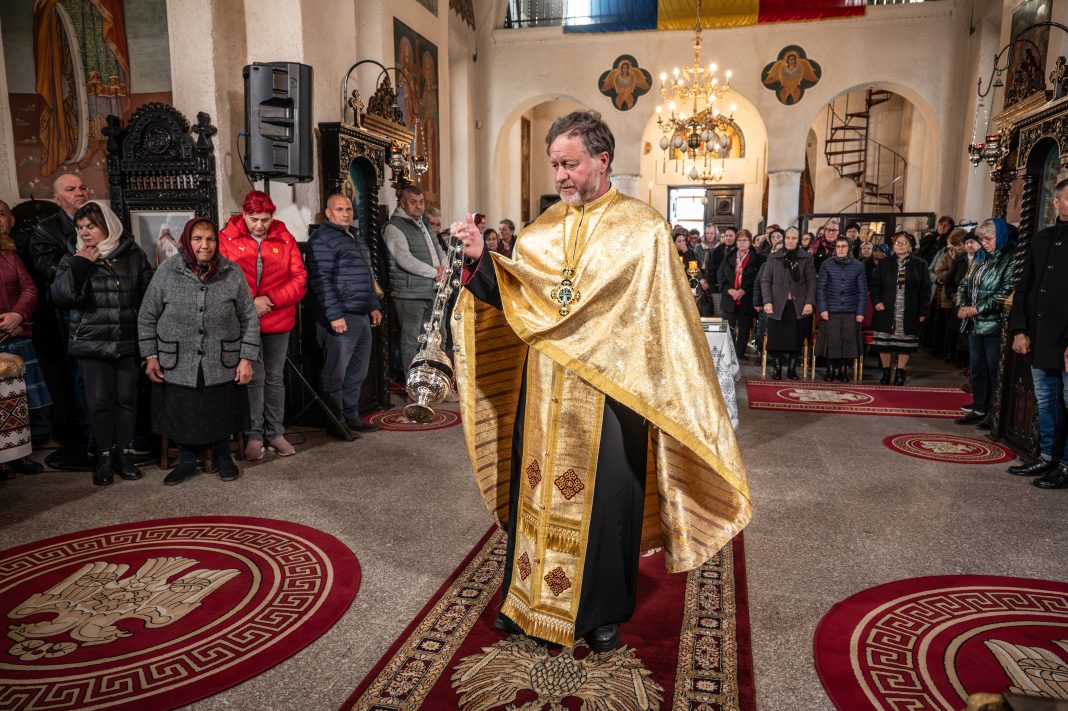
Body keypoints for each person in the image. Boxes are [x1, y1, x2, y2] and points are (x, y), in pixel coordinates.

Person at [450, 110, 748, 653]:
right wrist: (481, 262)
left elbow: (666, 323)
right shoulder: (540, 232)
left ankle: (603, 611)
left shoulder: (644, 230)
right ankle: (526, 600)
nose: (560, 176)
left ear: (602, 159)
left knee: (608, 502)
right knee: (535, 491)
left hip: (611, 393)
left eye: (570, 164)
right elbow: (520, 302)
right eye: (554, 165)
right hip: (544, 391)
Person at [139, 218, 259, 486]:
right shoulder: (168, 271)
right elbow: (147, 316)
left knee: (220, 407)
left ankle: (223, 457)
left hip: (222, 358)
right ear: (186, 241)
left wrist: (246, 358)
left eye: (210, 239)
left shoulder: (232, 271)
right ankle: (186, 461)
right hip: (177, 359)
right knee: (183, 408)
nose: (205, 245)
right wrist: (151, 356)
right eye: (197, 239)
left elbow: (249, 318)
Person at [51, 201, 153, 486]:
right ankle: (105, 457)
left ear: (107, 226)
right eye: (80, 227)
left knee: (126, 401)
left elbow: (147, 301)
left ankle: (125, 454)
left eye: (91, 226)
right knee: (98, 403)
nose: (84, 232)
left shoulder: (134, 255)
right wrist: (80, 266)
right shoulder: (73, 257)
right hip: (91, 342)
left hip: (126, 341)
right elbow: (60, 297)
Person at [219, 190, 307, 459]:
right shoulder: (226, 239)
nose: (259, 225)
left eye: (265, 220)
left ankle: (276, 433)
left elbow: (299, 278)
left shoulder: (285, 237)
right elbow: (224, 279)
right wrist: (251, 304)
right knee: (254, 378)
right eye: (254, 219)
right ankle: (254, 435)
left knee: (275, 378)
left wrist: (270, 300)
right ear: (244, 214)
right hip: (244, 320)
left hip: (277, 317)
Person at [307, 195, 383, 438]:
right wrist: (334, 315)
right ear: (328, 213)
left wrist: (373, 305)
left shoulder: (355, 238)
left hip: (361, 314)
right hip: (340, 316)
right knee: (335, 373)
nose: (345, 213)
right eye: (339, 209)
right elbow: (321, 280)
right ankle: (336, 420)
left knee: (357, 371)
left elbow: (368, 275)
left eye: (348, 209)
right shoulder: (322, 239)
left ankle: (352, 414)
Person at [1009, 178, 1068, 488]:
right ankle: (1048, 457)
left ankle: (1066, 465)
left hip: (1066, 339)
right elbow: (1025, 286)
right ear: (1056, 202)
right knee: (1047, 401)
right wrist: (1020, 328)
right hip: (1041, 336)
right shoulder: (1042, 239)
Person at [30, 173, 92, 465]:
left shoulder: (99, 219)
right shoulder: (47, 229)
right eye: (71, 189)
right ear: (57, 198)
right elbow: (50, 271)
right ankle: (89, 436)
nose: (79, 192)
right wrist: (81, 262)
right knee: (80, 375)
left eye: (82, 187)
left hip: (100, 306)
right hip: (67, 313)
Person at [0, 200, 49, 477]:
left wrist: (18, 315)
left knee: (20, 401)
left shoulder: (9, 255)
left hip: (17, 333)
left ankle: (20, 454)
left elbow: (29, 288)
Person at [955, 219, 1017, 428]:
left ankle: (994, 411)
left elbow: (1005, 291)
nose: (984, 243)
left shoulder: (1011, 258)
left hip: (994, 324)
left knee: (993, 369)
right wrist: (962, 305)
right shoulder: (981, 256)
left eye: (988, 239)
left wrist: (977, 308)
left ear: (1001, 236)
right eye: (981, 239)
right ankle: (979, 407)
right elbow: (965, 283)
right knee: (978, 368)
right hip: (974, 322)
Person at [383, 185, 446, 373]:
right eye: (413, 202)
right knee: (412, 341)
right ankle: (413, 383)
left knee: (438, 337)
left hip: (433, 290)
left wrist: (445, 270)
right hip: (410, 294)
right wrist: (434, 272)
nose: (419, 206)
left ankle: (435, 380)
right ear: (403, 203)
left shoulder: (424, 223)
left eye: (421, 202)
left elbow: (439, 249)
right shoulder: (394, 227)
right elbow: (404, 259)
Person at [869, 231, 931, 385]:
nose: (900, 245)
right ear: (893, 246)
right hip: (886, 309)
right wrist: (876, 302)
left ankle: (900, 372)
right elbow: (874, 286)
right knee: (884, 343)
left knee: (905, 345)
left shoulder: (920, 264)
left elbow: (926, 290)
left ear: (911, 246)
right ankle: (886, 372)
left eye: (905, 243)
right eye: (897, 243)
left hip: (909, 310)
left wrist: (924, 310)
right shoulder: (884, 263)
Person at [761, 227, 816, 379]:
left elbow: (812, 282)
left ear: (798, 240)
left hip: (799, 305)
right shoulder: (774, 257)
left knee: (796, 338)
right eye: (788, 238)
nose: (790, 241)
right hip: (777, 304)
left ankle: (792, 369)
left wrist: (809, 303)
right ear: (784, 239)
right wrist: (767, 301)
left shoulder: (806, 257)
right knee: (776, 339)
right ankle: (777, 369)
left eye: (794, 238)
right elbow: (765, 280)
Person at [816, 236, 867, 382]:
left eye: (844, 246)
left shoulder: (858, 266)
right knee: (832, 341)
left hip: (851, 310)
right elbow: (821, 288)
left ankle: (843, 370)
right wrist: (823, 309)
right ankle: (831, 369)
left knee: (848, 341)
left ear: (849, 248)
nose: (841, 249)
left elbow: (862, 291)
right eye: (838, 247)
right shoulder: (827, 264)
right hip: (831, 310)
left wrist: (860, 312)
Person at [718, 229, 763, 359]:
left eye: (745, 240)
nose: (742, 243)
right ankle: (728, 354)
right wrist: (729, 290)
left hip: (746, 298)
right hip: (729, 297)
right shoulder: (729, 256)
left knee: (744, 328)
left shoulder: (757, 258)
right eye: (739, 240)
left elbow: (757, 278)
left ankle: (739, 354)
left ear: (750, 242)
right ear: (736, 242)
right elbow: (720, 275)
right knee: (729, 328)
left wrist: (743, 290)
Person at [933, 228, 967, 360]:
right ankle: (949, 352)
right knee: (948, 327)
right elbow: (940, 274)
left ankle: (957, 355)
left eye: (959, 245)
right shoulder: (948, 255)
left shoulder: (965, 258)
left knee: (958, 329)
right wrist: (952, 292)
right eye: (955, 245)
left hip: (961, 297)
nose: (957, 248)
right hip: (949, 296)